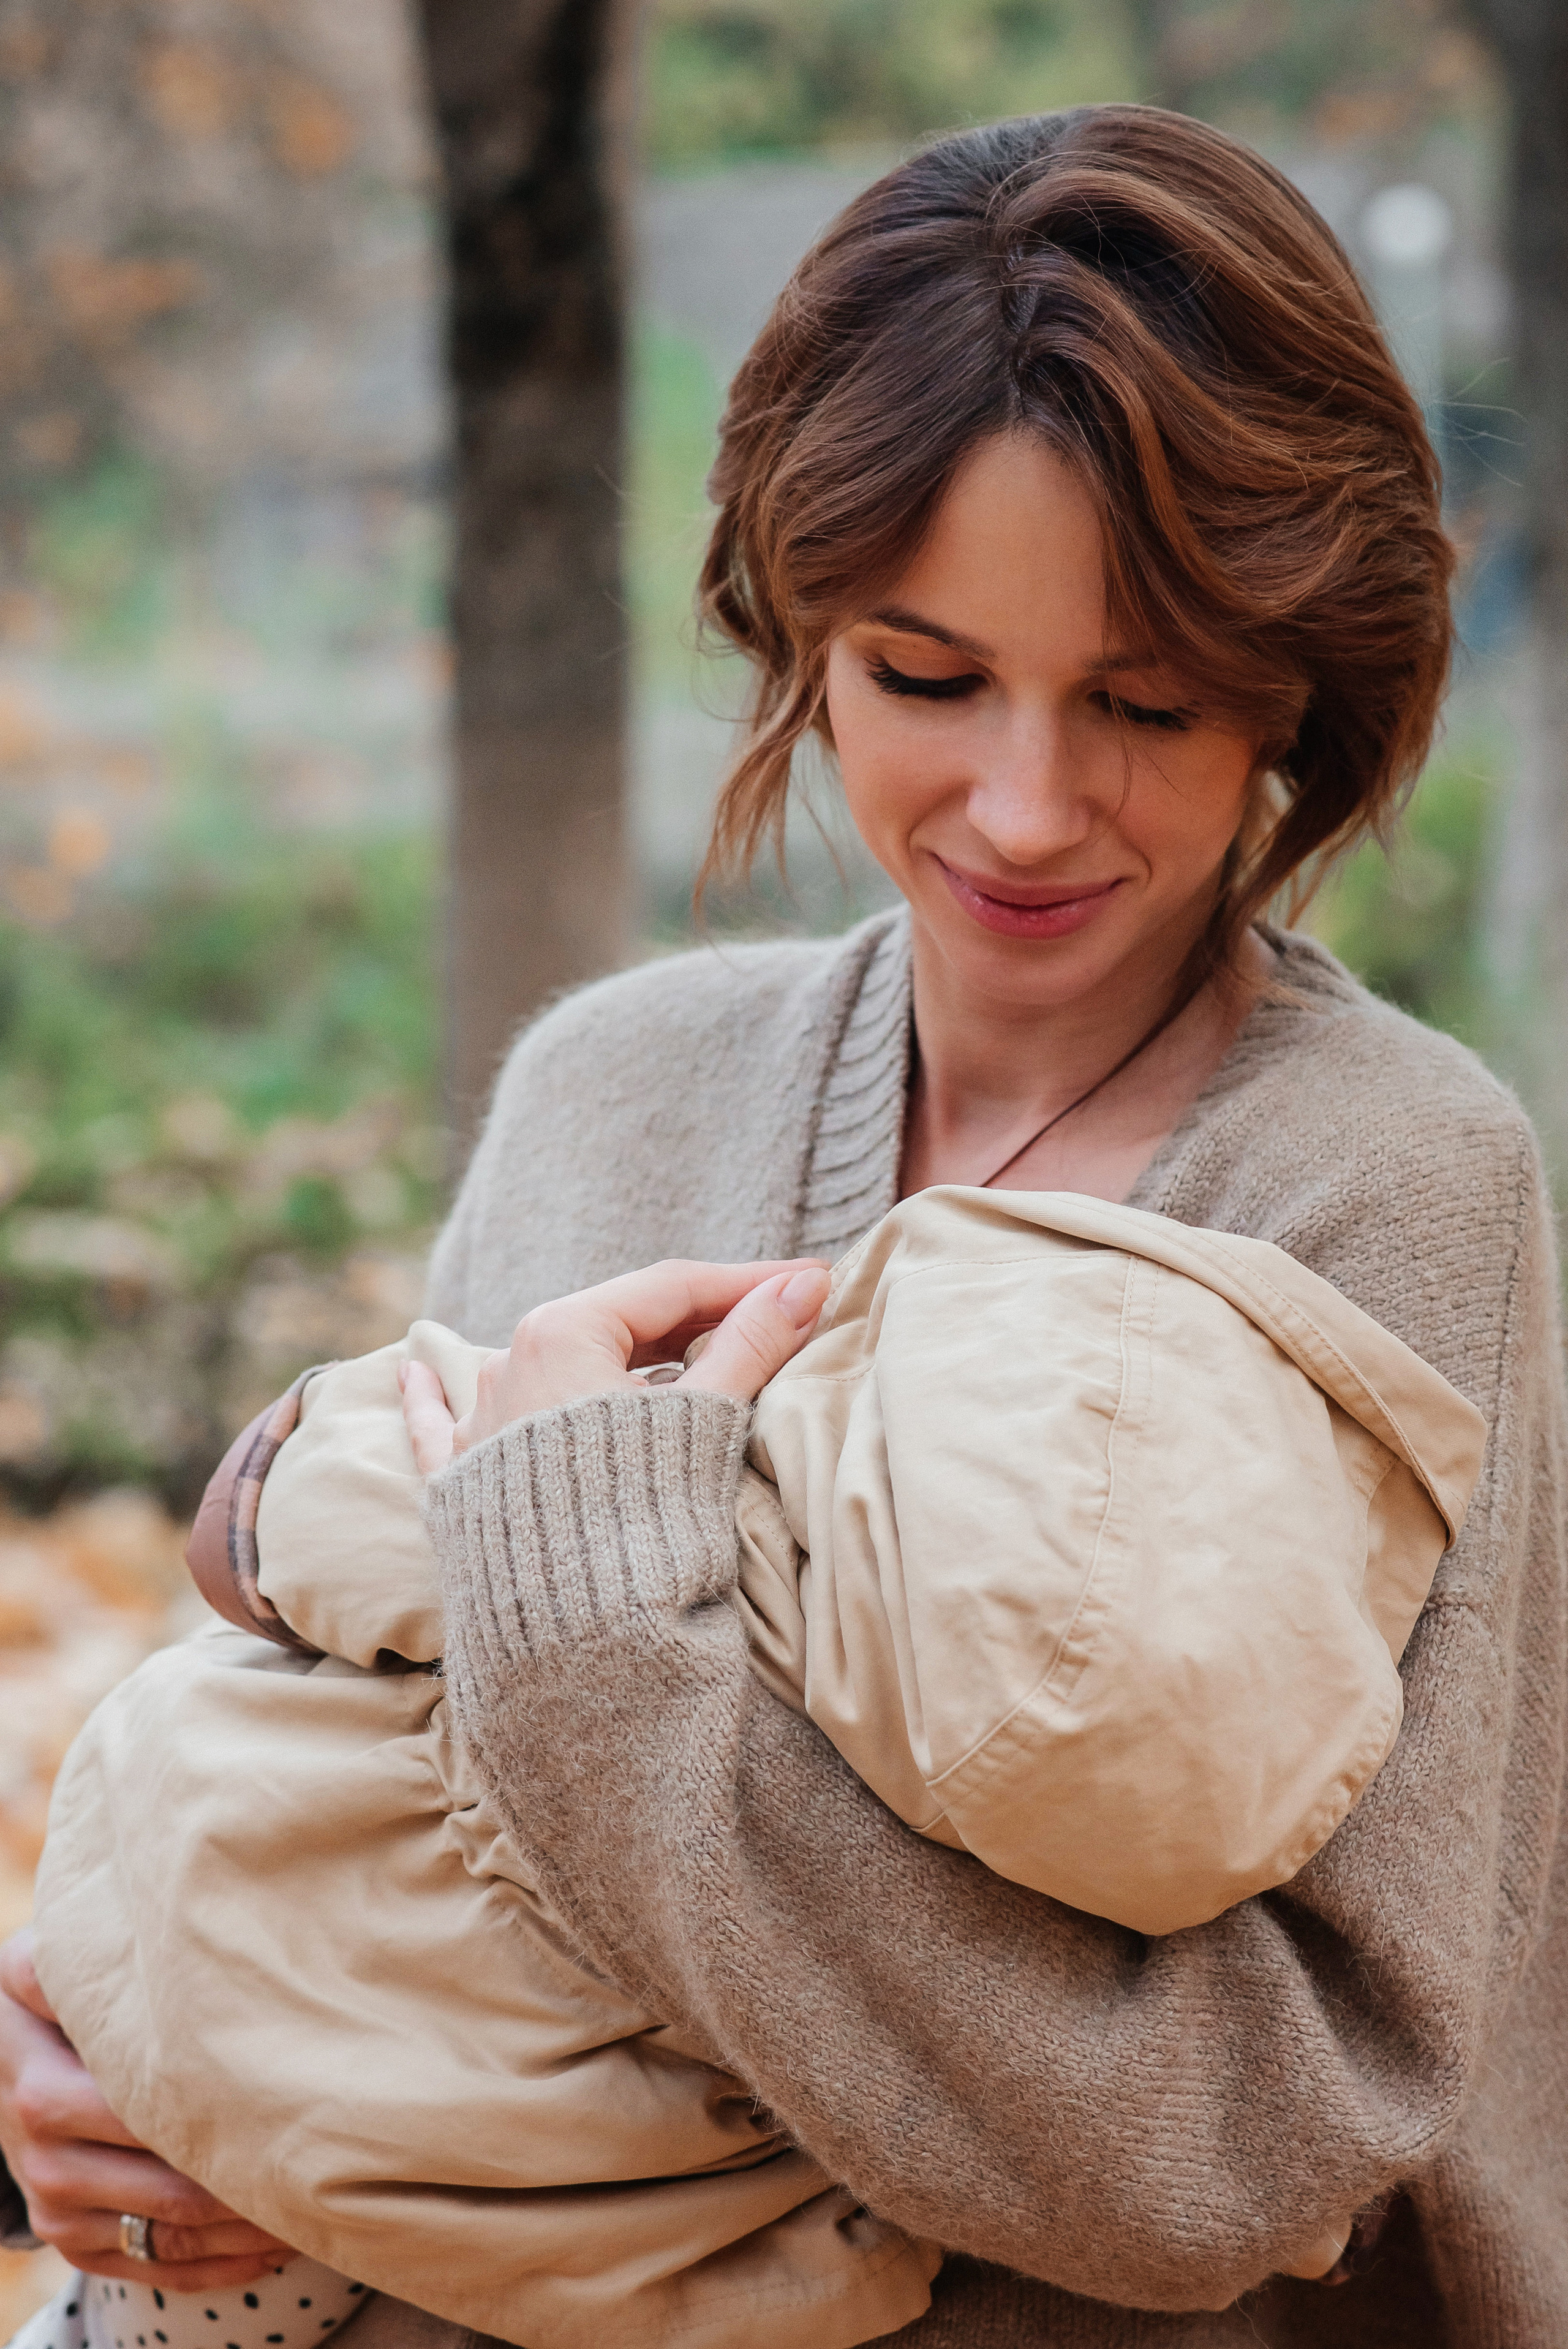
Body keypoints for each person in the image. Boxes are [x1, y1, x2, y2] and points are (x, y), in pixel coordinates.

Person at [2, 100, 1564, 2349]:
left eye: (1143, 702)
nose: (1024, 805)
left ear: (1298, 687)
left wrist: (612, 1648)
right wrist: (102, 2059)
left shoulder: (1380, 1189)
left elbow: (1244, 2136)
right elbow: (371, 1779)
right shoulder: (614, 1089)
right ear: (798, 624)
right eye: (926, 677)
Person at [18, 1182, 1486, 2349]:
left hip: (220, 2029)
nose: (1031, 817)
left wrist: (570, 1527)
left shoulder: (652, 1481)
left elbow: (260, 1525)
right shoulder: (1016, 1817)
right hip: (290, 2140)